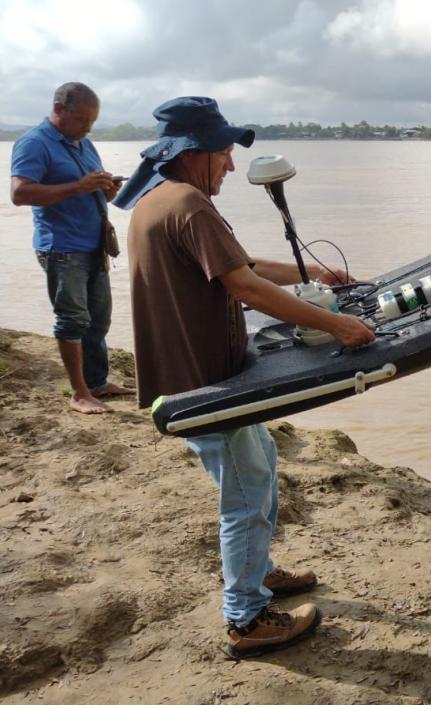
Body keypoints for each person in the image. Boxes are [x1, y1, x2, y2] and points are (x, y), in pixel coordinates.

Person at [113, 96, 376, 657]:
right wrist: (339, 325)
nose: (231, 165)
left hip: (198, 372)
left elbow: (243, 266)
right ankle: (247, 618)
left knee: (259, 467)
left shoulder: (161, 200)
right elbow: (247, 289)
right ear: (194, 153)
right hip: (206, 381)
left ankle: (261, 573)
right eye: (225, 153)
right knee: (245, 492)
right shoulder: (189, 203)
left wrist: (318, 273)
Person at [9, 82, 133, 413]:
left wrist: (105, 189)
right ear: (59, 108)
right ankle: (79, 394)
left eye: (92, 122)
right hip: (62, 247)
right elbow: (19, 194)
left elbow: (90, 188)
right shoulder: (34, 143)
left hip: (95, 246)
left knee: (99, 319)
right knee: (72, 320)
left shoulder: (84, 143)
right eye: (82, 120)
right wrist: (79, 186)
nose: (87, 128)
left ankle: (97, 383)